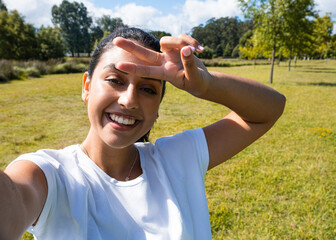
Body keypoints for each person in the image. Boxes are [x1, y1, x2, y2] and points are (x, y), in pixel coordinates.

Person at [0, 27, 286, 240]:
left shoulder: (177, 158)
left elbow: (269, 109)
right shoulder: (51, 174)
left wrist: (206, 85)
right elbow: (12, 199)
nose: (129, 100)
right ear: (86, 86)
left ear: (158, 107)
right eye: (115, 80)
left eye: (149, 89)